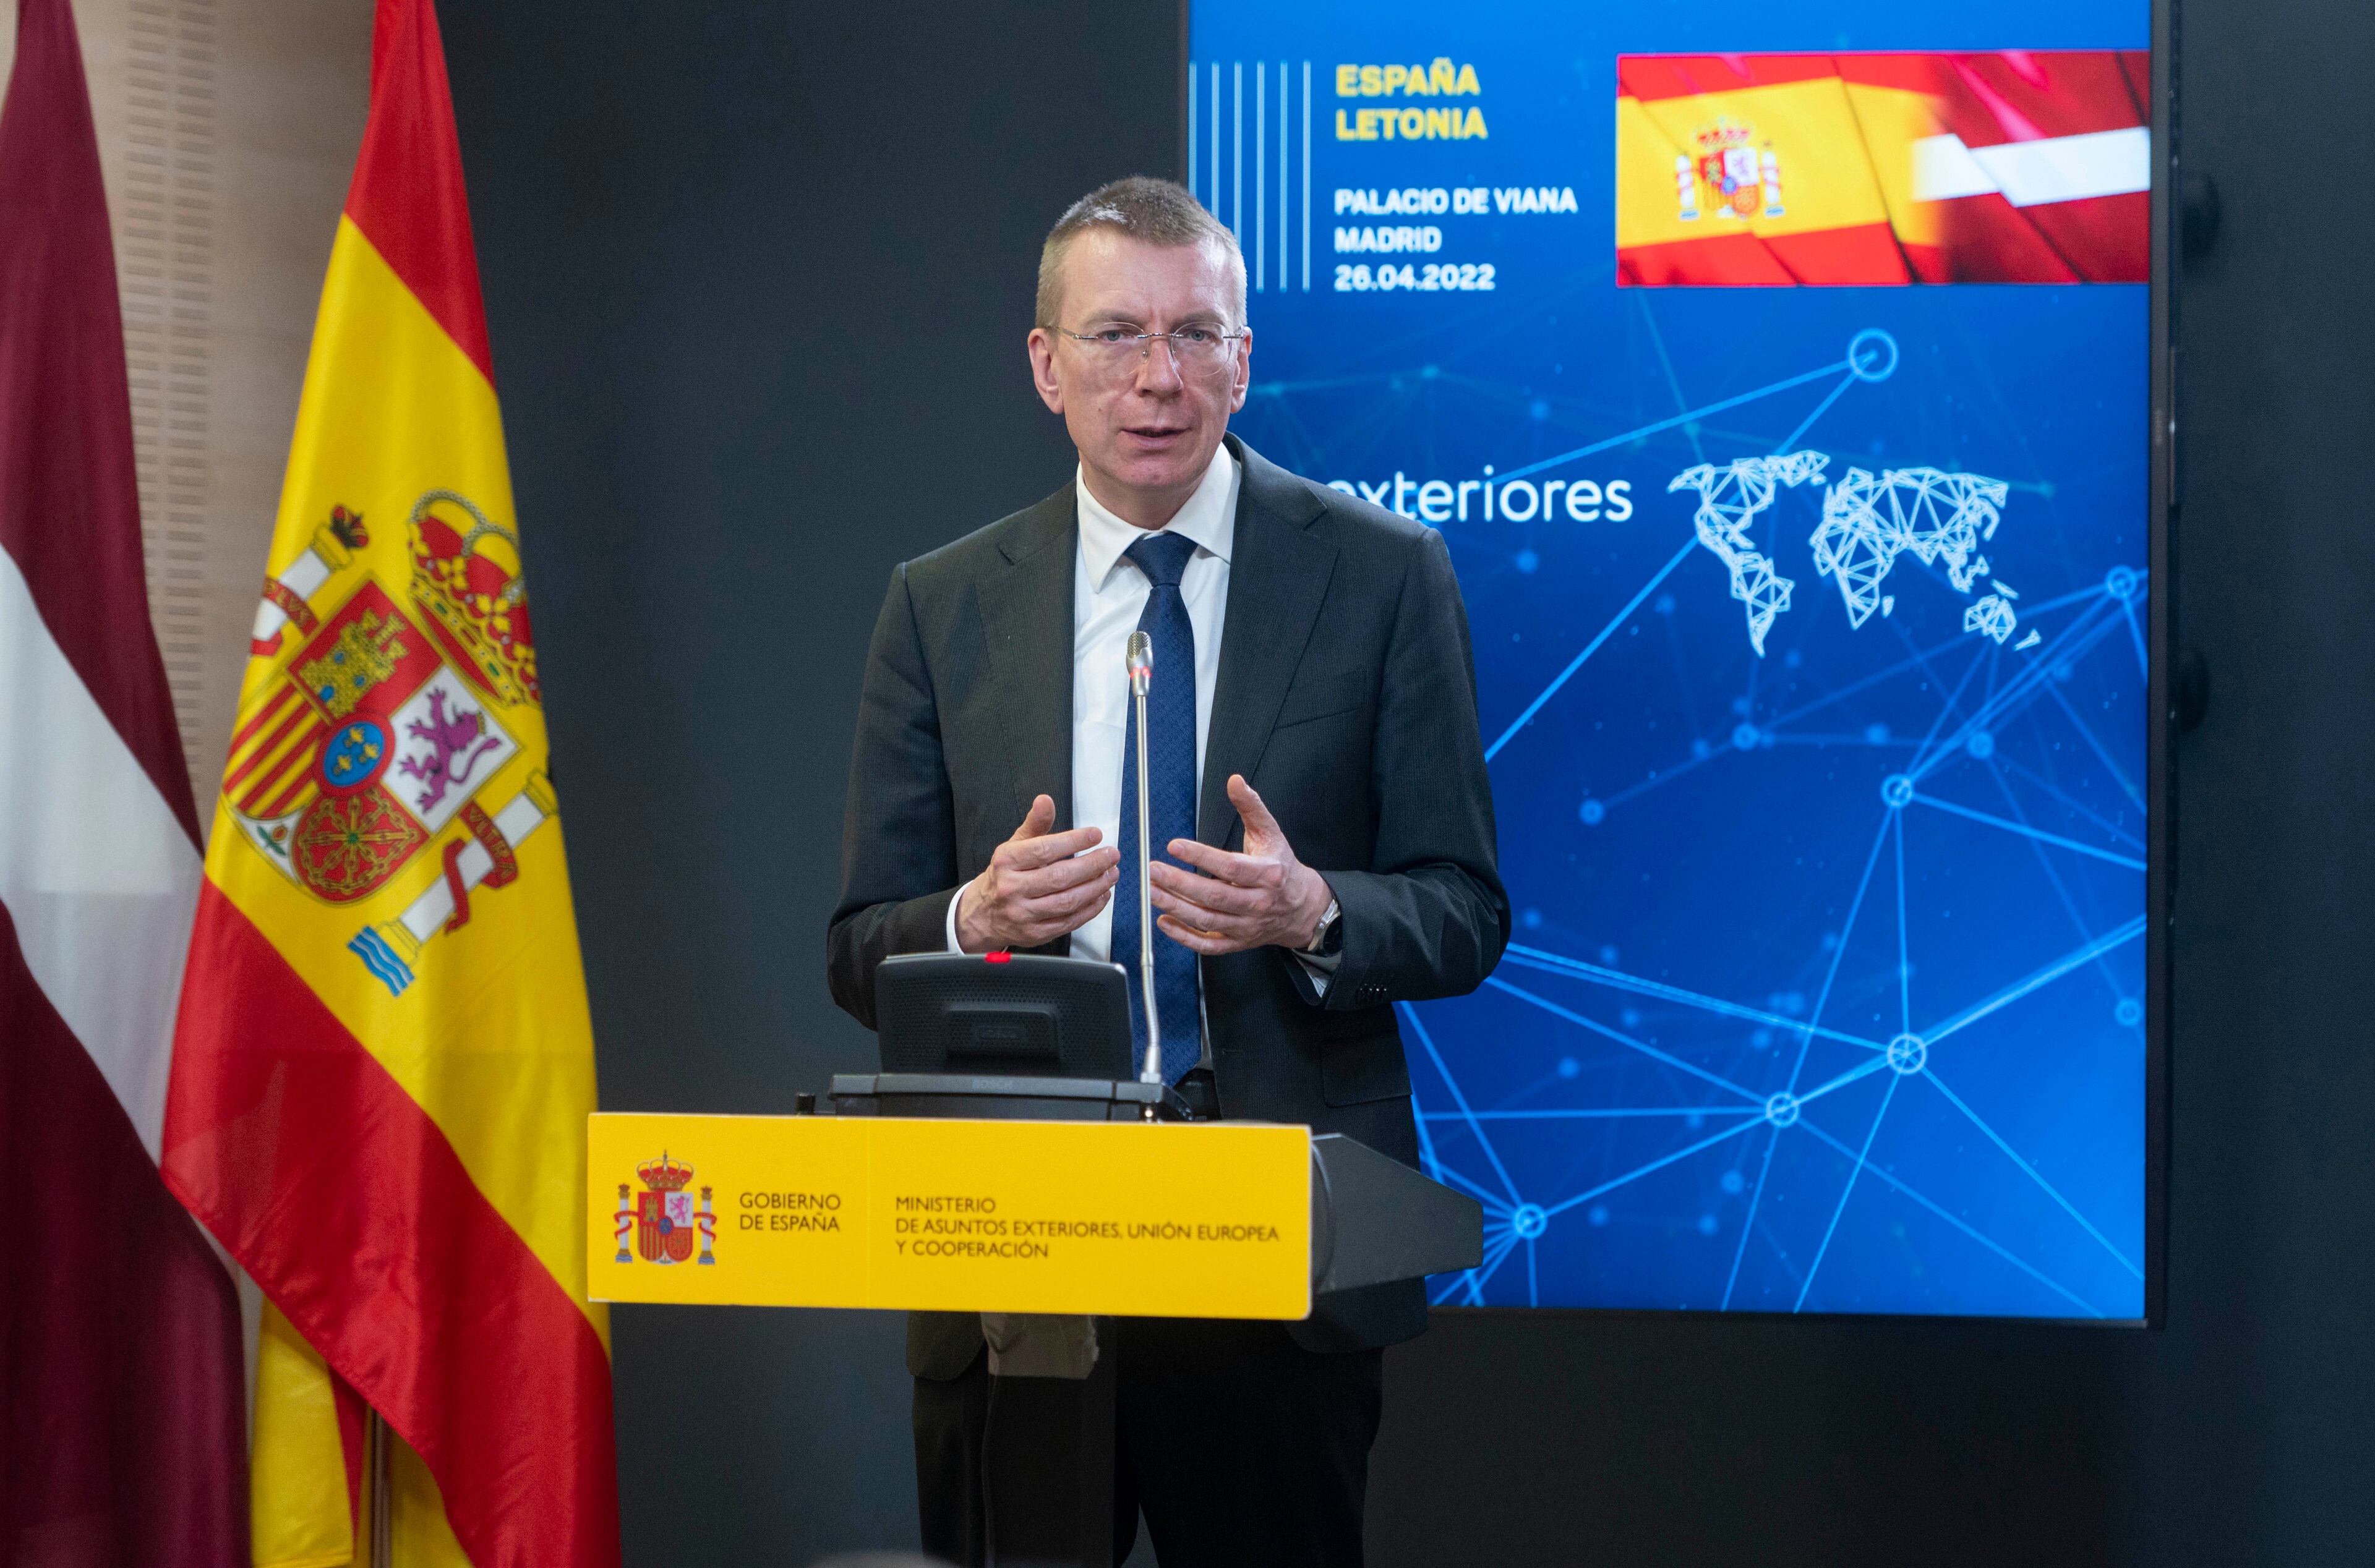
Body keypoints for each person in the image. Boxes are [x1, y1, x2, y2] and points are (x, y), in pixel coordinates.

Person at [826, 176, 1506, 1568]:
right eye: (1116, 334)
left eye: (1196, 334)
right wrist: (974, 915)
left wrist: (1315, 910)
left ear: (1243, 361)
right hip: (1018, 1245)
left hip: (1276, 1249)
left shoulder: (1382, 577)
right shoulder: (941, 604)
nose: (1158, 377)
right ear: (1046, 365)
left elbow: (1465, 909)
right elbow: (857, 947)